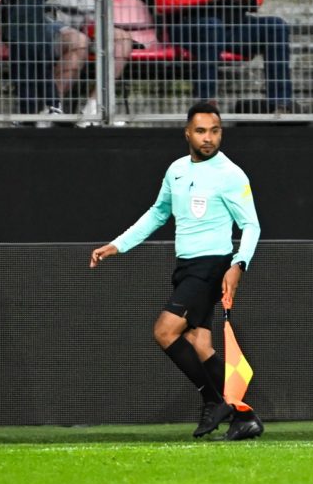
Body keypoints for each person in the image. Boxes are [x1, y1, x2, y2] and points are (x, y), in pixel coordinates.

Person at [89, 101, 264, 441]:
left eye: (214, 131)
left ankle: (213, 400)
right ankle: (245, 417)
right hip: (186, 266)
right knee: (200, 344)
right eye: (201, 131)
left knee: (164, 331)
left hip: (212, 265)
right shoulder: (177, 170)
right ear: (187, 133)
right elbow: (158, 213)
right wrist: (118, 245)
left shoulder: (231, 175)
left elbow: (251, 225)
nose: (208, 138)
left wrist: (238, 264)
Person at [152, 0, 293, 113]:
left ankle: (280, 104)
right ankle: (206, 104)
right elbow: (162, 1)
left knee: (275, 26)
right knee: (211, 26)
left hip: (232, 24)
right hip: (189, 25)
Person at [8, 0, 133, 126]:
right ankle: (48, 108)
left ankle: (94, 109)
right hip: (38, 26)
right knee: (77, 41)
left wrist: (92, 24)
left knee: (121, 39)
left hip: (75, 25)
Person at [0, 0, 62, 126]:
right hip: (40, 36)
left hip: (22, 36)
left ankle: (29, 112)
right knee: (44, 73)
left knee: (23, 76)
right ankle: (53, 107)